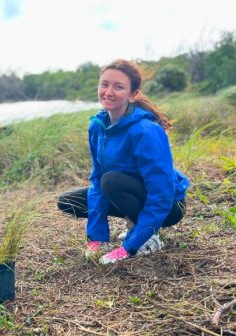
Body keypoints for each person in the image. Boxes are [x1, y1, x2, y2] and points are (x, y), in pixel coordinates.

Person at [57, 59, 190, 265]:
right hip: (127, 190)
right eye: (105, 84)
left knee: (111, 181)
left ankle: (147, 235)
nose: (109, 92)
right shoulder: (98, 127)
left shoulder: (146, 131)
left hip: (169, 205)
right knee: (69, 201)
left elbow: (161, 194)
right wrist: (96, 239)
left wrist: (130, 246)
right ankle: (136, 225)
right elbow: (97, 179)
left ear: (133, 94)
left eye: (118, 87)